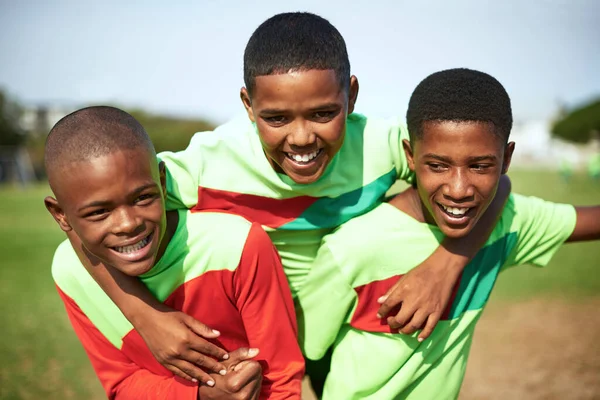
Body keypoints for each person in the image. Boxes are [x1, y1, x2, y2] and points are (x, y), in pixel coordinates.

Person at [70, 12, 510, 389]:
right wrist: (142, 314)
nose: (302, 138)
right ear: (248, 105)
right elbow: (88, 220)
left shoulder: (384, 144)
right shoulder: (206, 164)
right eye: (276, 118)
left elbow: (491, 182)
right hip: (253, 334)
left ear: (351, 96)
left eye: (323, 113)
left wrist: (445, 266)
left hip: (340, 322)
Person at [297, 68, 600, 399]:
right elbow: (310, 354)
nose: (458, 189)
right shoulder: (352, 248)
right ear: (410, 156)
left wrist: (447, 263)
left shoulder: (506, 223)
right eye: (438, 166)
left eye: (480, 166)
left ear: (506, 159)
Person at [45, 106, 304, 400]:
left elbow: (281, 380)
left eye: (143, 197)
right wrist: (199, 395)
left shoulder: (236, 245)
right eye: (99, 212)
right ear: (60, 215)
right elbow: (120, 385)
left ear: (163, 182)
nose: (129, 224)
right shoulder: (70, 272)